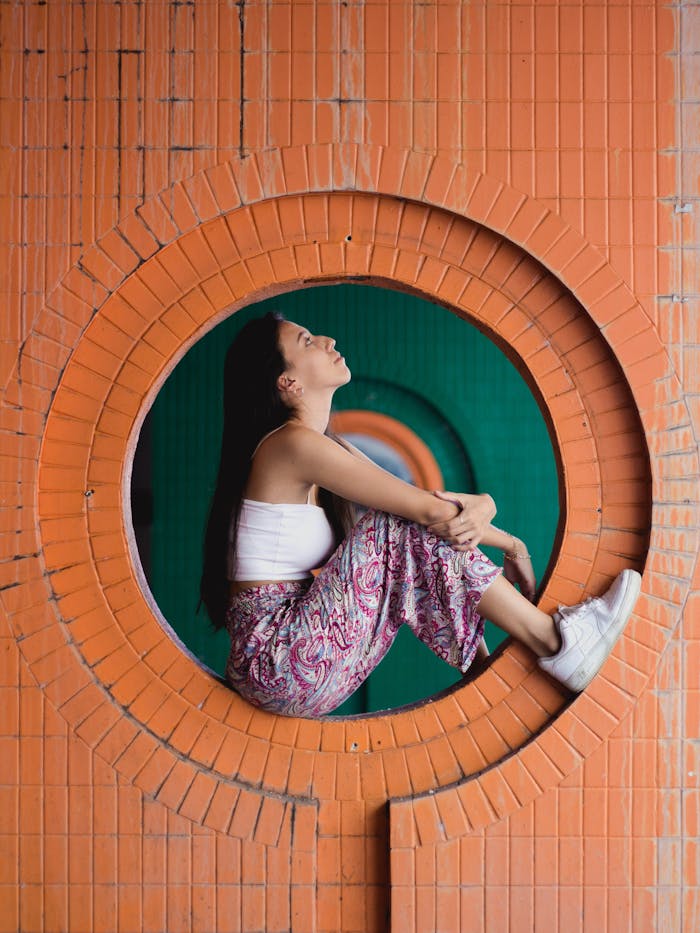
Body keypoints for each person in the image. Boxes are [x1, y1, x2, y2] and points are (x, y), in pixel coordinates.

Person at [200, 312, 641, 718]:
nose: (329, 339)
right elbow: (423, 510)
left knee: (400, 529)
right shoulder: (289, 446)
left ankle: (491, 675)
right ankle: (557, 642)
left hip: (301, 661)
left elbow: (420, 508)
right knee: (392, 524)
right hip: (278, 661)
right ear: (288, 382)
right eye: (308, 340)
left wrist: (512, 543)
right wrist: (487, 503)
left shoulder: (322, 447)